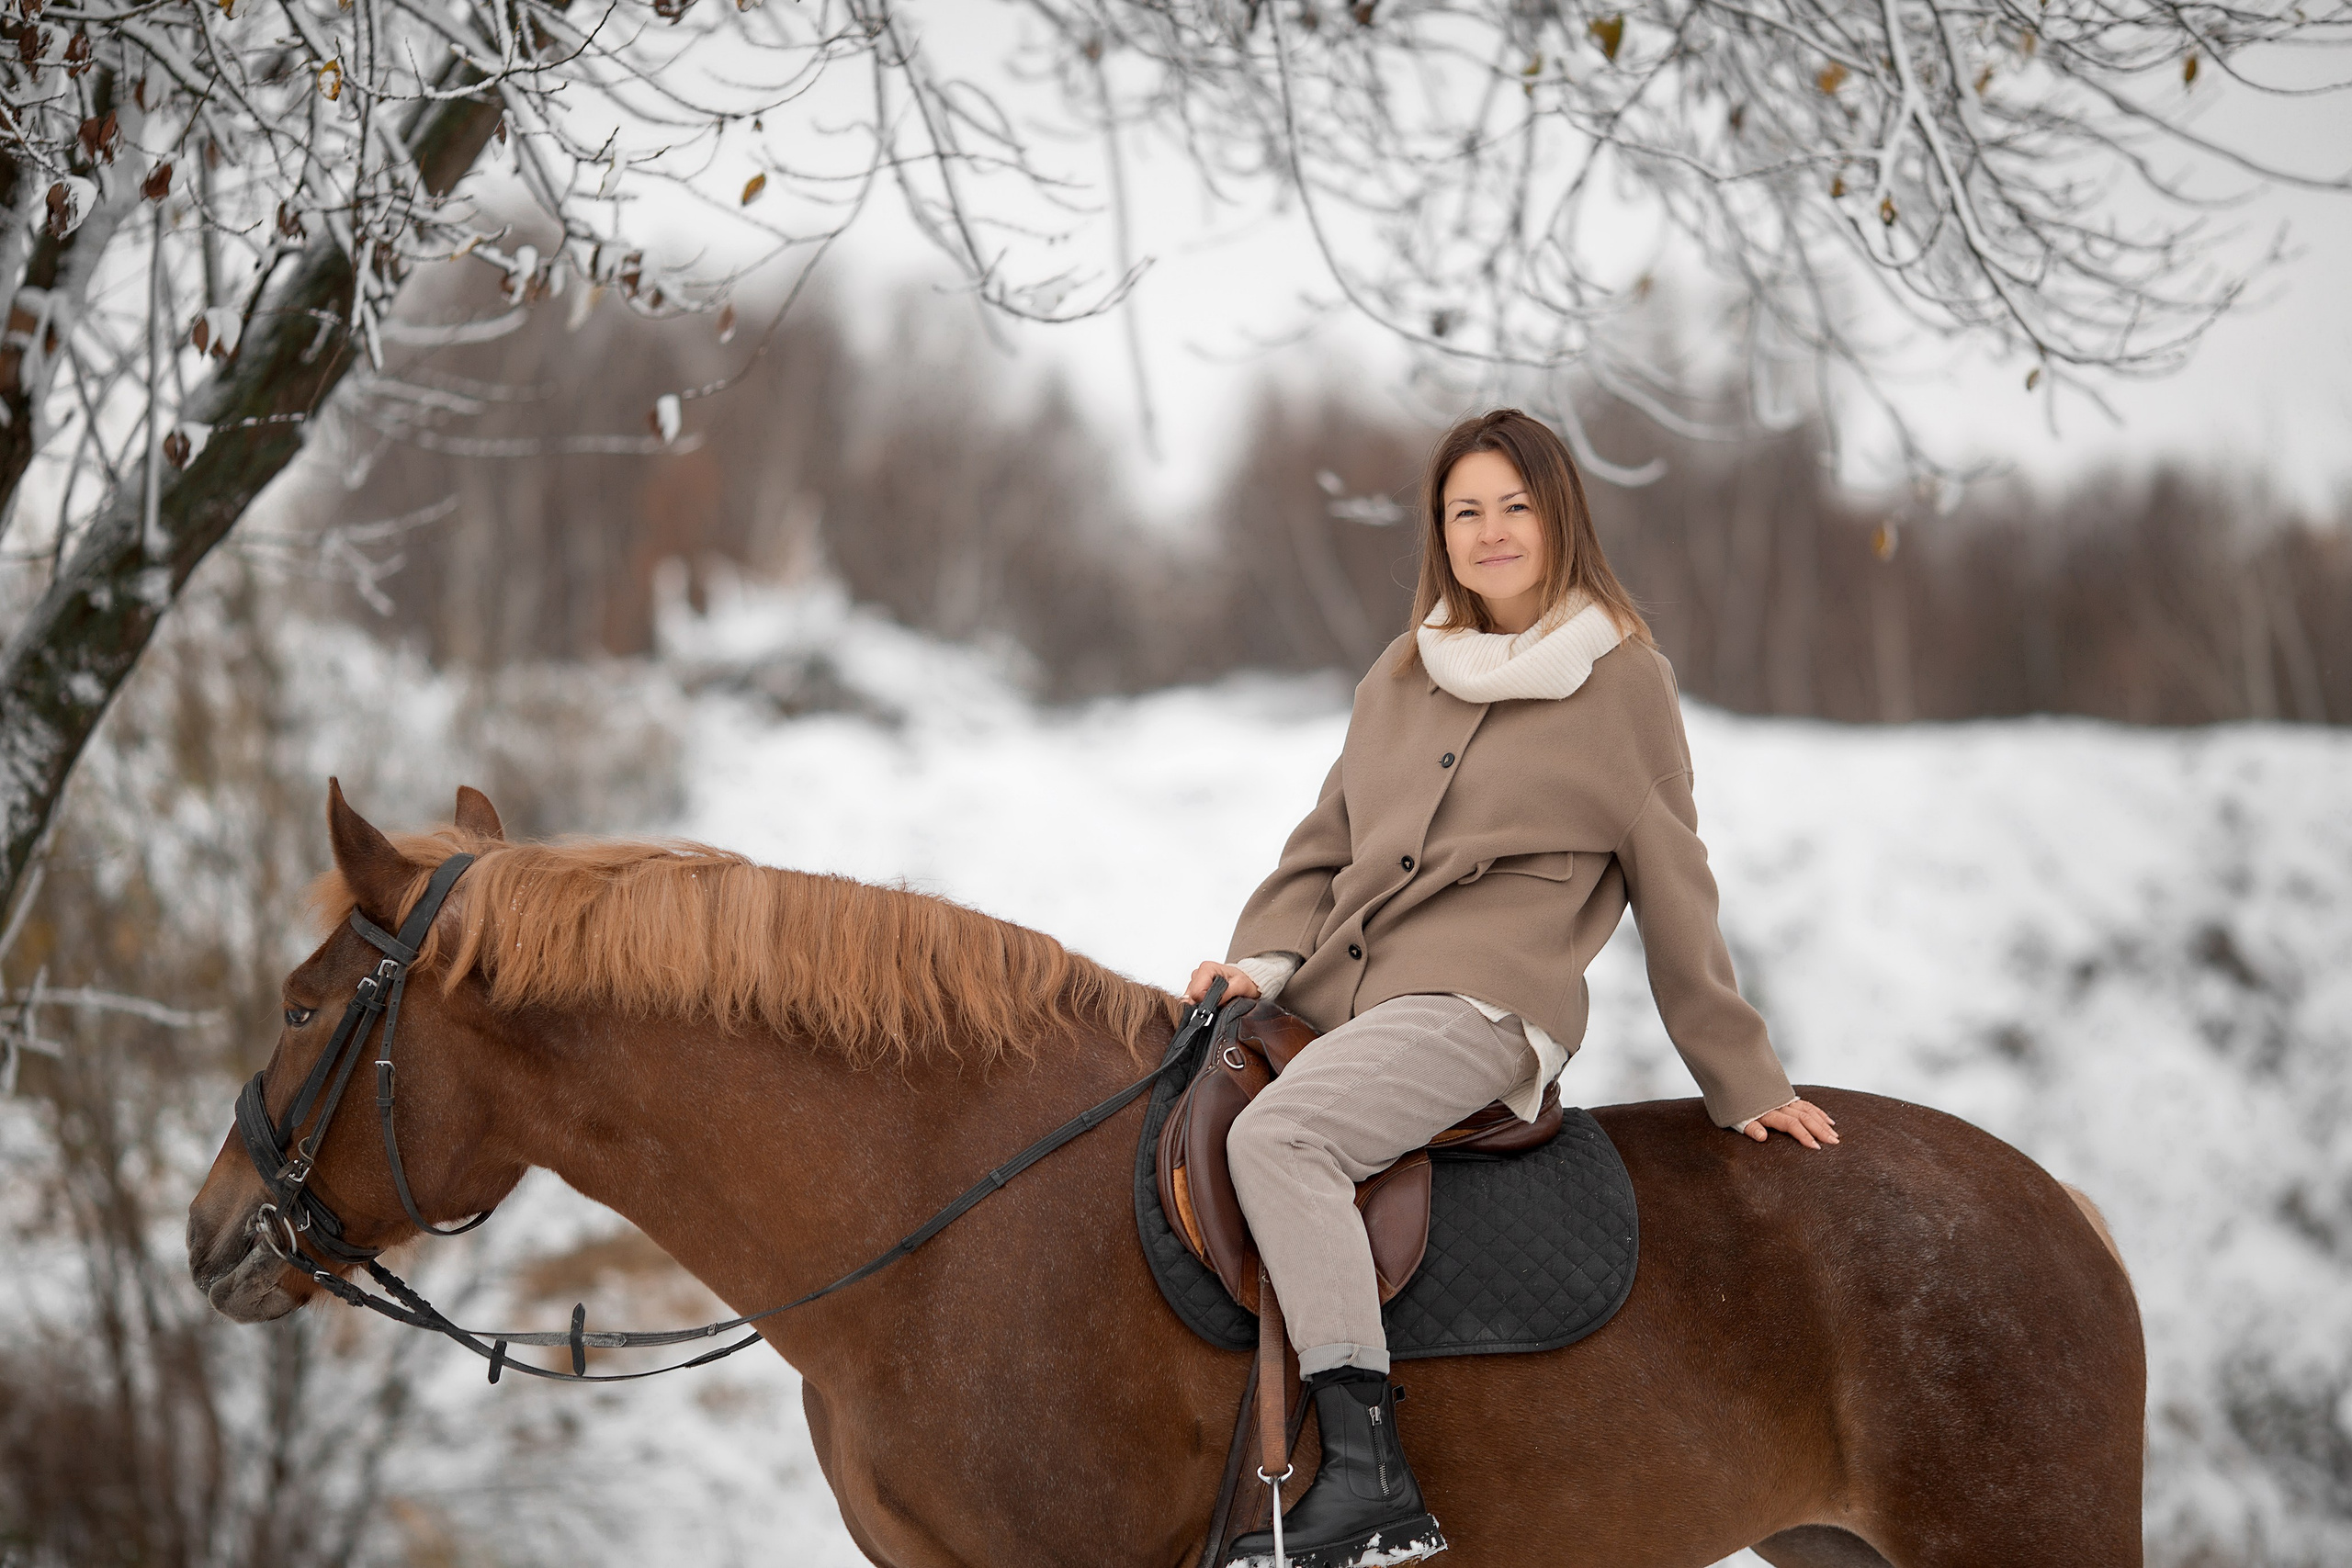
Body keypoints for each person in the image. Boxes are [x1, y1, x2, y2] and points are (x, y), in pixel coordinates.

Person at [1187, 408, 1839, 1568]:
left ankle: (1371, 1476)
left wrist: (1742, 1081)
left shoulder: (1624, 683)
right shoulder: (1399, 675)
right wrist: (1259, 959)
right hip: (1343, 994)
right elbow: (1324, 842)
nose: (1490, 532)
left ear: (1557, 520)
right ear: (1441, 532)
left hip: (1481, 1011)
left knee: (1282, 1141)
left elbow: (1675, 886)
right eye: (1465, 511)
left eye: (1514, 508)